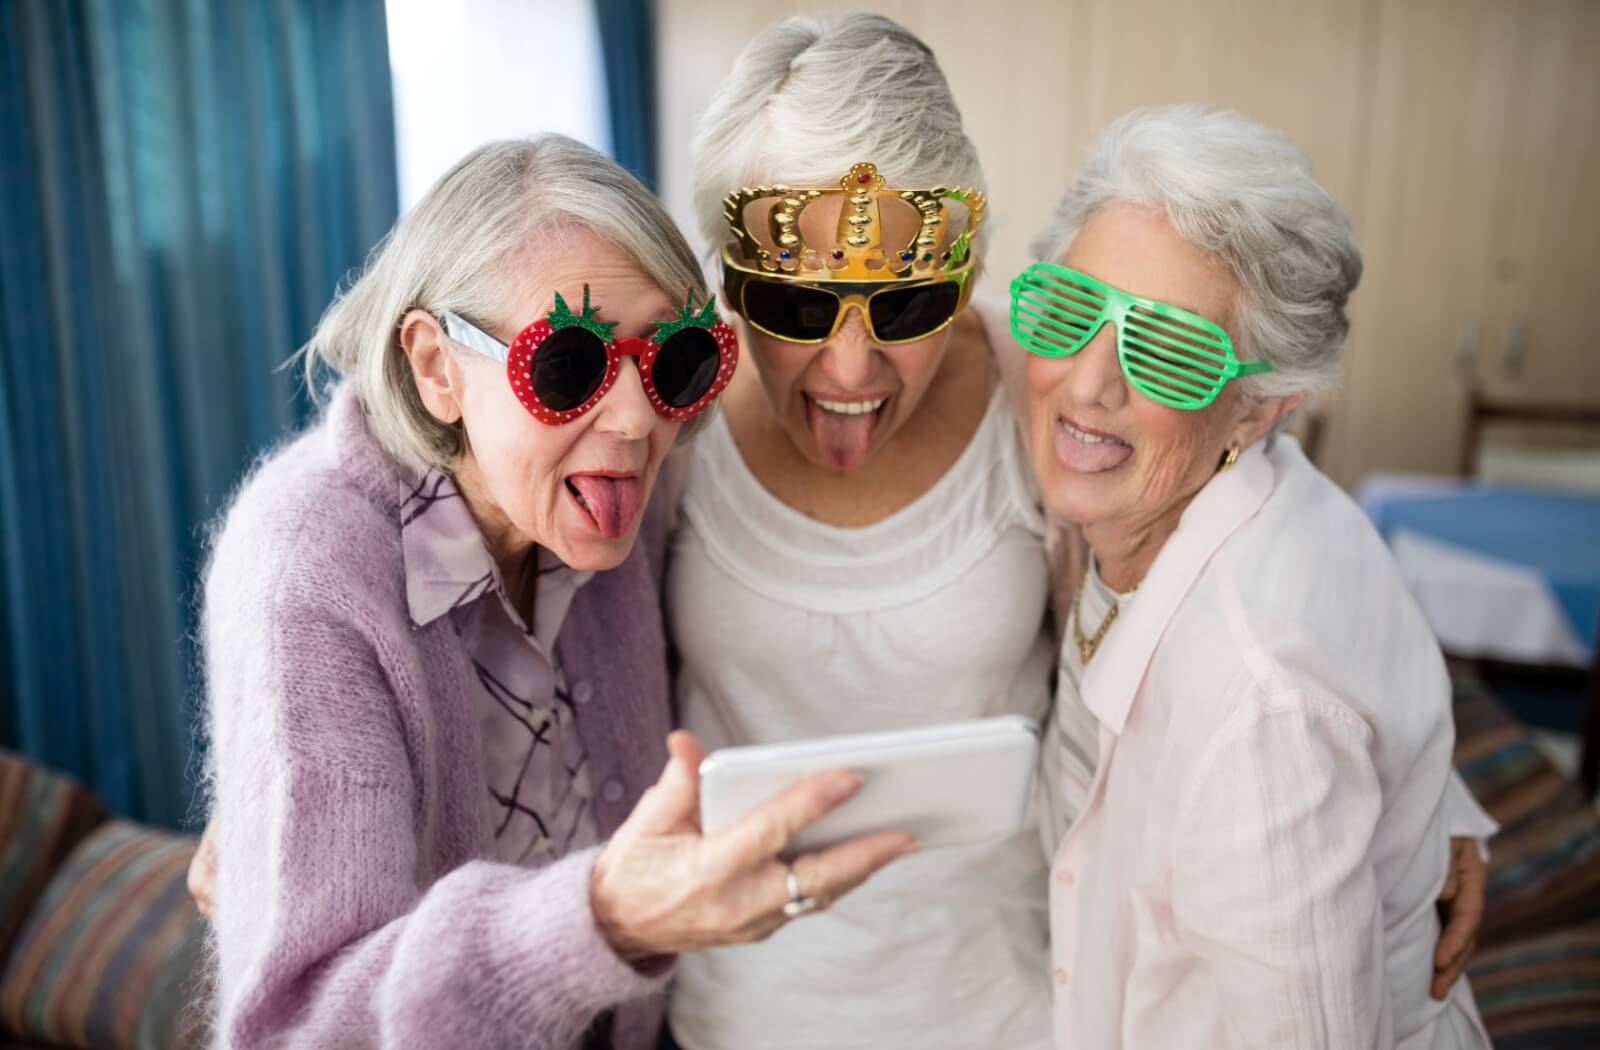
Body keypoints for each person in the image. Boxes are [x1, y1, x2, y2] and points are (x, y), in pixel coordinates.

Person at [199, 135, 914, 1050]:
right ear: (434, 368)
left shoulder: (620, 496)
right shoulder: (306, 565)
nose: (635, 418)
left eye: (678, 358)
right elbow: (302, 1030)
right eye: (569, 364)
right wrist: (607, 919)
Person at [1017, 105, 1496, 1049]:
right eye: (1070, 311)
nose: (1088, 384)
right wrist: (1429, 809)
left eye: (1167, 351)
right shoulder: (1237, 489)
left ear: (1258, 410)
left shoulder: (1255, 723)